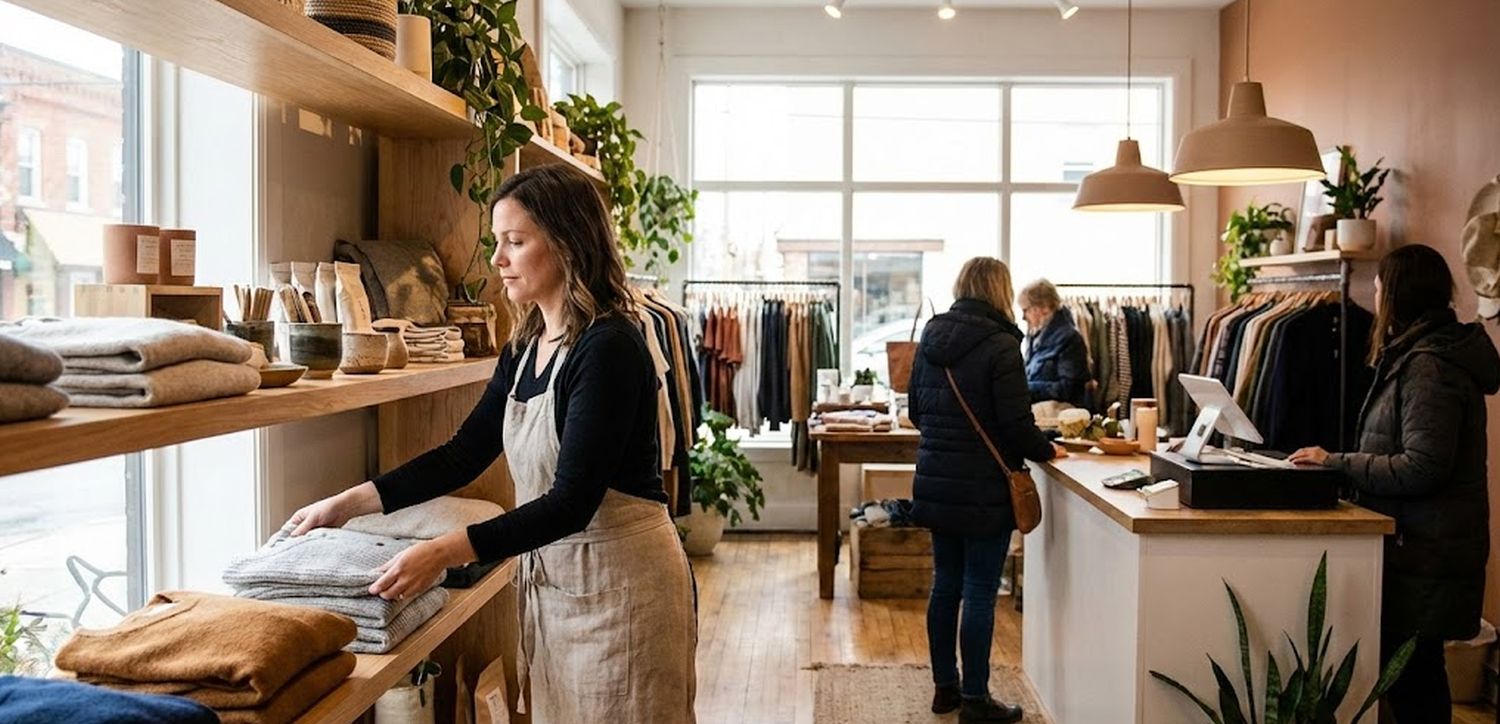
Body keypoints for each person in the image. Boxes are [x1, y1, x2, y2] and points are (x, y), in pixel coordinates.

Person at [287, 165, 697, 723]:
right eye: (497, 242)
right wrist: (346, 504)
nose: (497, 260)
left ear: (569, 244)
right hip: (560, 588)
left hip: (624, 590)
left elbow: (572, 503)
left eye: (515, 242)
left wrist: (442, 551)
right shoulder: (527, 344)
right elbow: (463, 453)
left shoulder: (609, 348)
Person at [1290, 244, 1497, 723]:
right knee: (1414, 675)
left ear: (1397, 295)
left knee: (1415, 680)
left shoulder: (1429, 366)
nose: (1375, 294)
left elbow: (1422, 465)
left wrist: (1337, 462)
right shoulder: (1421, 357)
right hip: (1422, 545)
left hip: (1426, 550)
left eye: (1380, 286)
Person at [907, 257, 1067, 724]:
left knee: (945, 585)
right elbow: (1016, 426)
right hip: (984, 488)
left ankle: (945, 690)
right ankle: (976, 699)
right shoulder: (1001, 346)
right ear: (1001, 289)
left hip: (936, 479)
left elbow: (917, 410)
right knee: (979, 590)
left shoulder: (931, 338)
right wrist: (1047, 450)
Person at [1019, 278, 1089, 408]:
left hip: (1059, 420)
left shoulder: (1069, 339)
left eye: (1026, 310)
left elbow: (1068, 389)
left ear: (1044, 307)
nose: (1023, 317)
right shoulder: (1036, 338)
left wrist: (1025, 388)